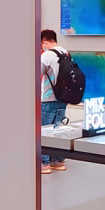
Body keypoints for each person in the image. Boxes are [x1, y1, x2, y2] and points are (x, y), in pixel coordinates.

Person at [40, 29, 70, 175]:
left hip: (48, 98)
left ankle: (43, 164)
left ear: (44, 42)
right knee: (57, 131)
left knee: (43, 132)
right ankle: (58, 161)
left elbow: (35, 73)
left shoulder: (47, 55)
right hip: (63, 98)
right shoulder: (65, 53)